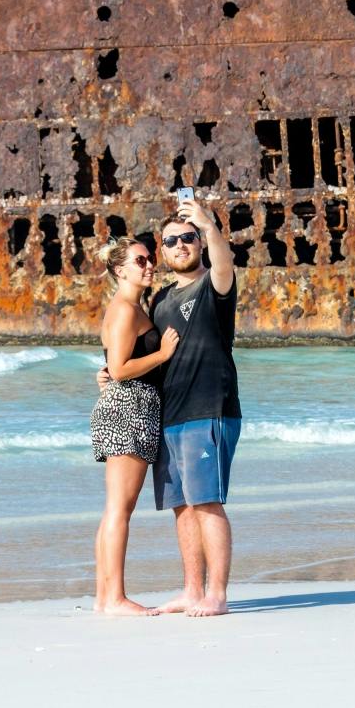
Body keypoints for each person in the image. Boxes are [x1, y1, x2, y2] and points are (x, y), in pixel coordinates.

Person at [99, 197, 243, 617]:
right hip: (168, 414)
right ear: (162, 250)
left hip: (208, 407)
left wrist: (207, 223)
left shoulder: (213, 286)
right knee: (181, 506)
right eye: (171, 240)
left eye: (188, 238)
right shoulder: (159, 300)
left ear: (199, 243)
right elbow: (138, 352)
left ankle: (217, 593)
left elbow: (223, 262)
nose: (180, 245)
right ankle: (192, 590)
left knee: (207, 502)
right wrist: (109, 372)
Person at [89, 238, 181, 615]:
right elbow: (122, 368)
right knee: (119, 510)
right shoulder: (126, 310)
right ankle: (115, 599)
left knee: (114, 509)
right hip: (129, 408)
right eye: (140, 260)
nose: (149, 266)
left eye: (150, 259)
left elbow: (111, 368)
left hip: (128, 406)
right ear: (119, 270)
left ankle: (103, 597)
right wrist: (163, 353)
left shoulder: (127, 308)